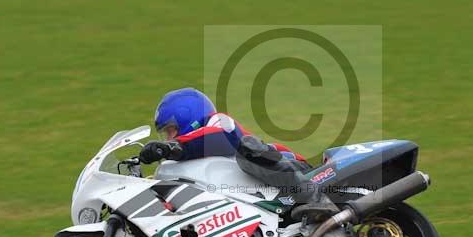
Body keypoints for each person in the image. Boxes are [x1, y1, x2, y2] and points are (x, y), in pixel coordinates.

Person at [138, 88, 334, 214]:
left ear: (188, 118)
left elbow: (215, 138)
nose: (170, 138)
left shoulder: (220, 122)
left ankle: (315, 199)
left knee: (246, 149)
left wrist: (170, 148)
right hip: (258, 191)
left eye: (171, 131)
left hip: (294, 168)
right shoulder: (189, 152)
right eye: (166, 135)